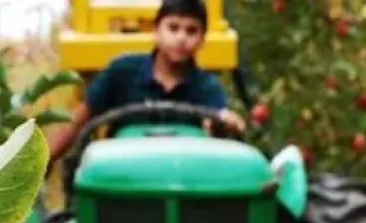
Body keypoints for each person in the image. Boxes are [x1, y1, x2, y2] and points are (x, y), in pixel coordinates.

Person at [46, 0, 247, 164]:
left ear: (202, 39)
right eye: (173, 28)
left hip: (182, 176)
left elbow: (217, 124)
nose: (181, 38)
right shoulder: (122, 71)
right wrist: (42, 165)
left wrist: (227, 122)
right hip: (121, 174)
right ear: (156, 31)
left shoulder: (206, 86)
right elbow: (78, 122)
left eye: (191, 31)